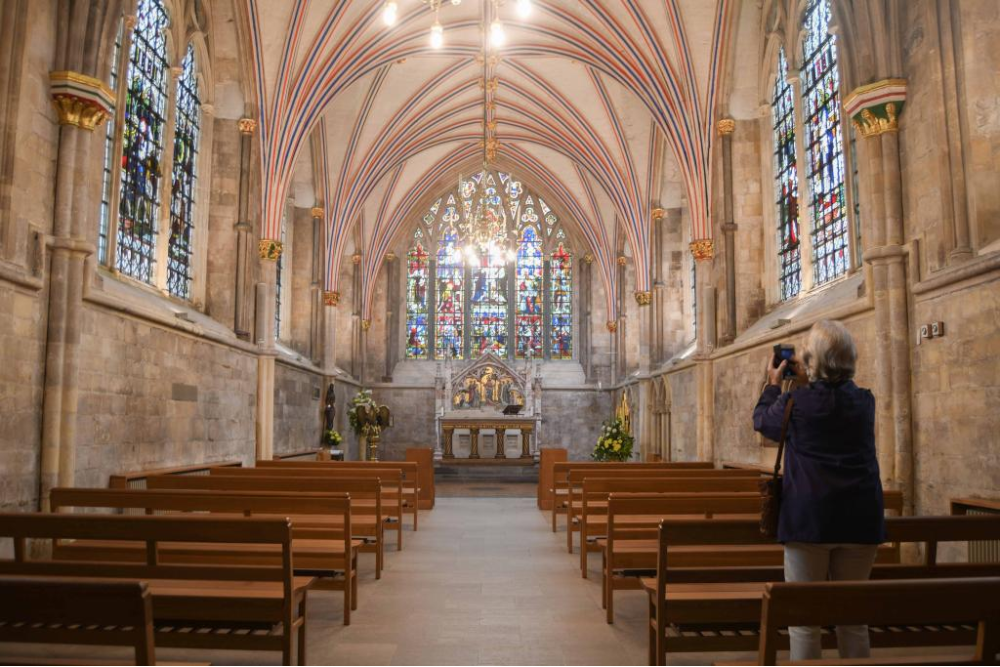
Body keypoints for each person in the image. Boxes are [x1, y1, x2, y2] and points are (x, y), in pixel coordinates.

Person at [752, 319, 885, 662]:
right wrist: (812, 379)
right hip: (860, 519)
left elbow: (763, 421)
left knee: (804, 619)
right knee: (853, 619)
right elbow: (832, 404)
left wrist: (773, 384)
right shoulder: (865, 402)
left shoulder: (796, 403)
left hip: (809, 520)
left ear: (812, 361)